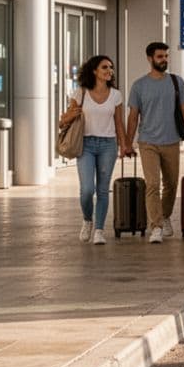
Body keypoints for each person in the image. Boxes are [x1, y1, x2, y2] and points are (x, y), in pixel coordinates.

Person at [125, 42, 184, 243]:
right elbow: (133, 117)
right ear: (150, 58)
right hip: (147, 141)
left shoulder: (177, 82)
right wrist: (126, 143)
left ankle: (165, 215)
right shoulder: (139, 86)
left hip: (171, 140)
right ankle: (156, 226)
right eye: (160, 56)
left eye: (166, 56)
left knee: (171, 184)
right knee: (152, 184)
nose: (164, 60)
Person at [59, 55, 127, 245]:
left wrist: (124, 146)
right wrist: (71, 113)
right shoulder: (81, 93)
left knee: (103, 190)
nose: (109, 71)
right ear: (94, 71)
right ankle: (87, 220)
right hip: (86, 145)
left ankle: (99, 230)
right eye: (104, 67)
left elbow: (119, 123)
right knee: (87, 189)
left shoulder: (116, 95)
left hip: (108, 145)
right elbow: (64, 120)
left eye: (111, 68)